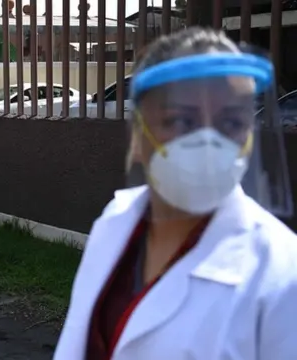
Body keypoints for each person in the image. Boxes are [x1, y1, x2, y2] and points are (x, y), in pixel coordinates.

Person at [54, 27, 297, 359]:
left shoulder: (283, 275)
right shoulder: (113, 224)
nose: (210, 144)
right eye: (181, 120)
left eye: (231, 123)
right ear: (139, 137)